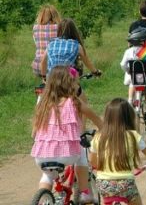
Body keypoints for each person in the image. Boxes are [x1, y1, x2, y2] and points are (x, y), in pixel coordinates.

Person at [31, 65, 103, 203]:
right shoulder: (75, 102)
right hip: (67, 155)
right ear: (69, 84)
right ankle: (84, 193)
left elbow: (34, 133)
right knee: (81, 154)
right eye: (75, 82)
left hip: (41, 156)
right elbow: (100, 123)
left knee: (47, 175)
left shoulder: (43, 103)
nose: (77, 85)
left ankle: (43, 198)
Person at [89, 98, 146, 205]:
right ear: (129, 117)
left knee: (106, 199)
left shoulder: (98, 137)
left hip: (104, 183)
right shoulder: (133, 136)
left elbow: (92, 162)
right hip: (126, 183)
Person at [40, 18, 101, 97]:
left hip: (52, 79)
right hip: (67, 81)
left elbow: (43, 62)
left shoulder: (51, 44)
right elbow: (87, 62)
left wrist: (44, 78)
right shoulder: (77, 45)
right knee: (82, 100)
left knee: (45, 99)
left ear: (59, 30)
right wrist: (96, 72)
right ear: (74, 31)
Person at [120, 28, 146, 109]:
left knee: (133, 82)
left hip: (133, 77)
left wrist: (128, 71)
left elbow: (123, 64)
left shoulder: (129, 51)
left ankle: (129, 100)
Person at [32, 4, 61, 77]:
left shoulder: (35, 28)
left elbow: (37, 44)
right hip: (56, 66)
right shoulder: (60, 27)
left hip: (38, 65)